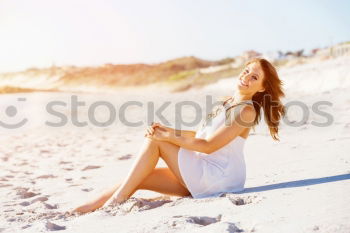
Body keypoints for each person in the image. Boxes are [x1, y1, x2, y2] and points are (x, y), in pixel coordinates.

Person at [72, 57, 285, 213]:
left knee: (156, 141)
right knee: (140, 175)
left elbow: (208, 145)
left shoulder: (246, 110)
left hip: (218, 178)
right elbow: (200, 134)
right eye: (247, 70)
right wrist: (168, 130)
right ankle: (87, 208)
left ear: (262, 87)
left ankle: (115, 202)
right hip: (204, 172)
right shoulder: (228, 102)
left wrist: (166, 137)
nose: (246, 77)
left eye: (254, 77)